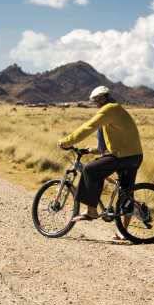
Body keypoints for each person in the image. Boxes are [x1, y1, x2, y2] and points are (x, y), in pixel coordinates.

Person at [58, 86, 144, 222]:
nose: (96, 103)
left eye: (98, 100)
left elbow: (87, 127)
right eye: (94, 101)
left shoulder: (109, 109)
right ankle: (124, 232)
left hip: (122, 156)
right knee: (126, 192)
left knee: (90, 170)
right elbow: (113, 141)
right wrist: (94, 150)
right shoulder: (115, 110)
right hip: (134, 156)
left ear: (105, 97)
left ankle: (91, 211)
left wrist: (66, 142)